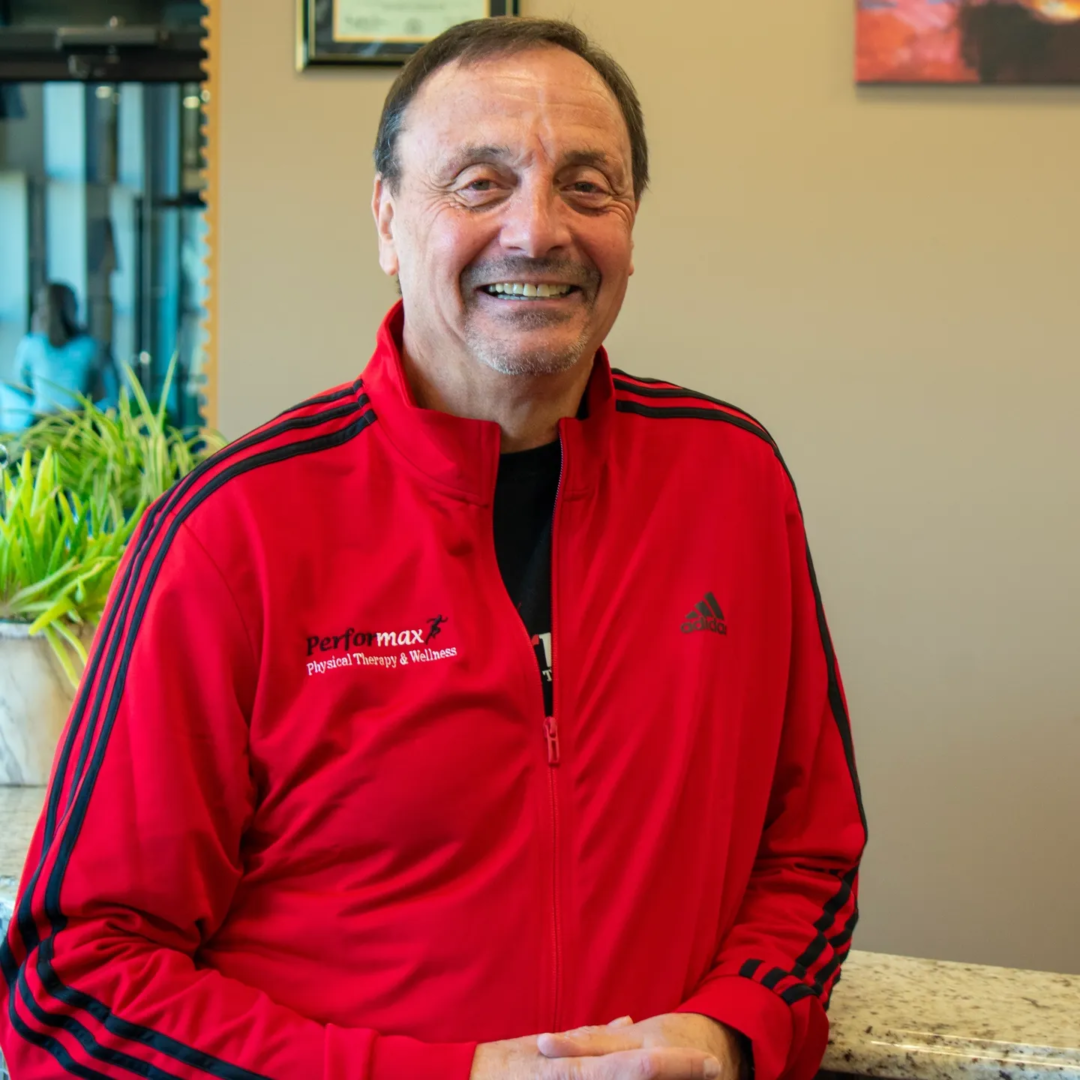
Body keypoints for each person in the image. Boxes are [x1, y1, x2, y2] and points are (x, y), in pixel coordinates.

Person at [0, 18, 866, 1080]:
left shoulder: (734, 484)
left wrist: (734, 1029)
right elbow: (73, 987)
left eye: (588, 185)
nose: (537, 229)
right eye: (479, 183)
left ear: (632, 227)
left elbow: (811, 849)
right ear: (386, 220)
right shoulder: (231, 536)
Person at [1, 283, 107, 431]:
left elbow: (22, 386)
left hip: (42, 425)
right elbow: (103, 393)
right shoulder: (90, 346)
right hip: (78, 425)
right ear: (73, 309)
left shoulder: (30, 344)